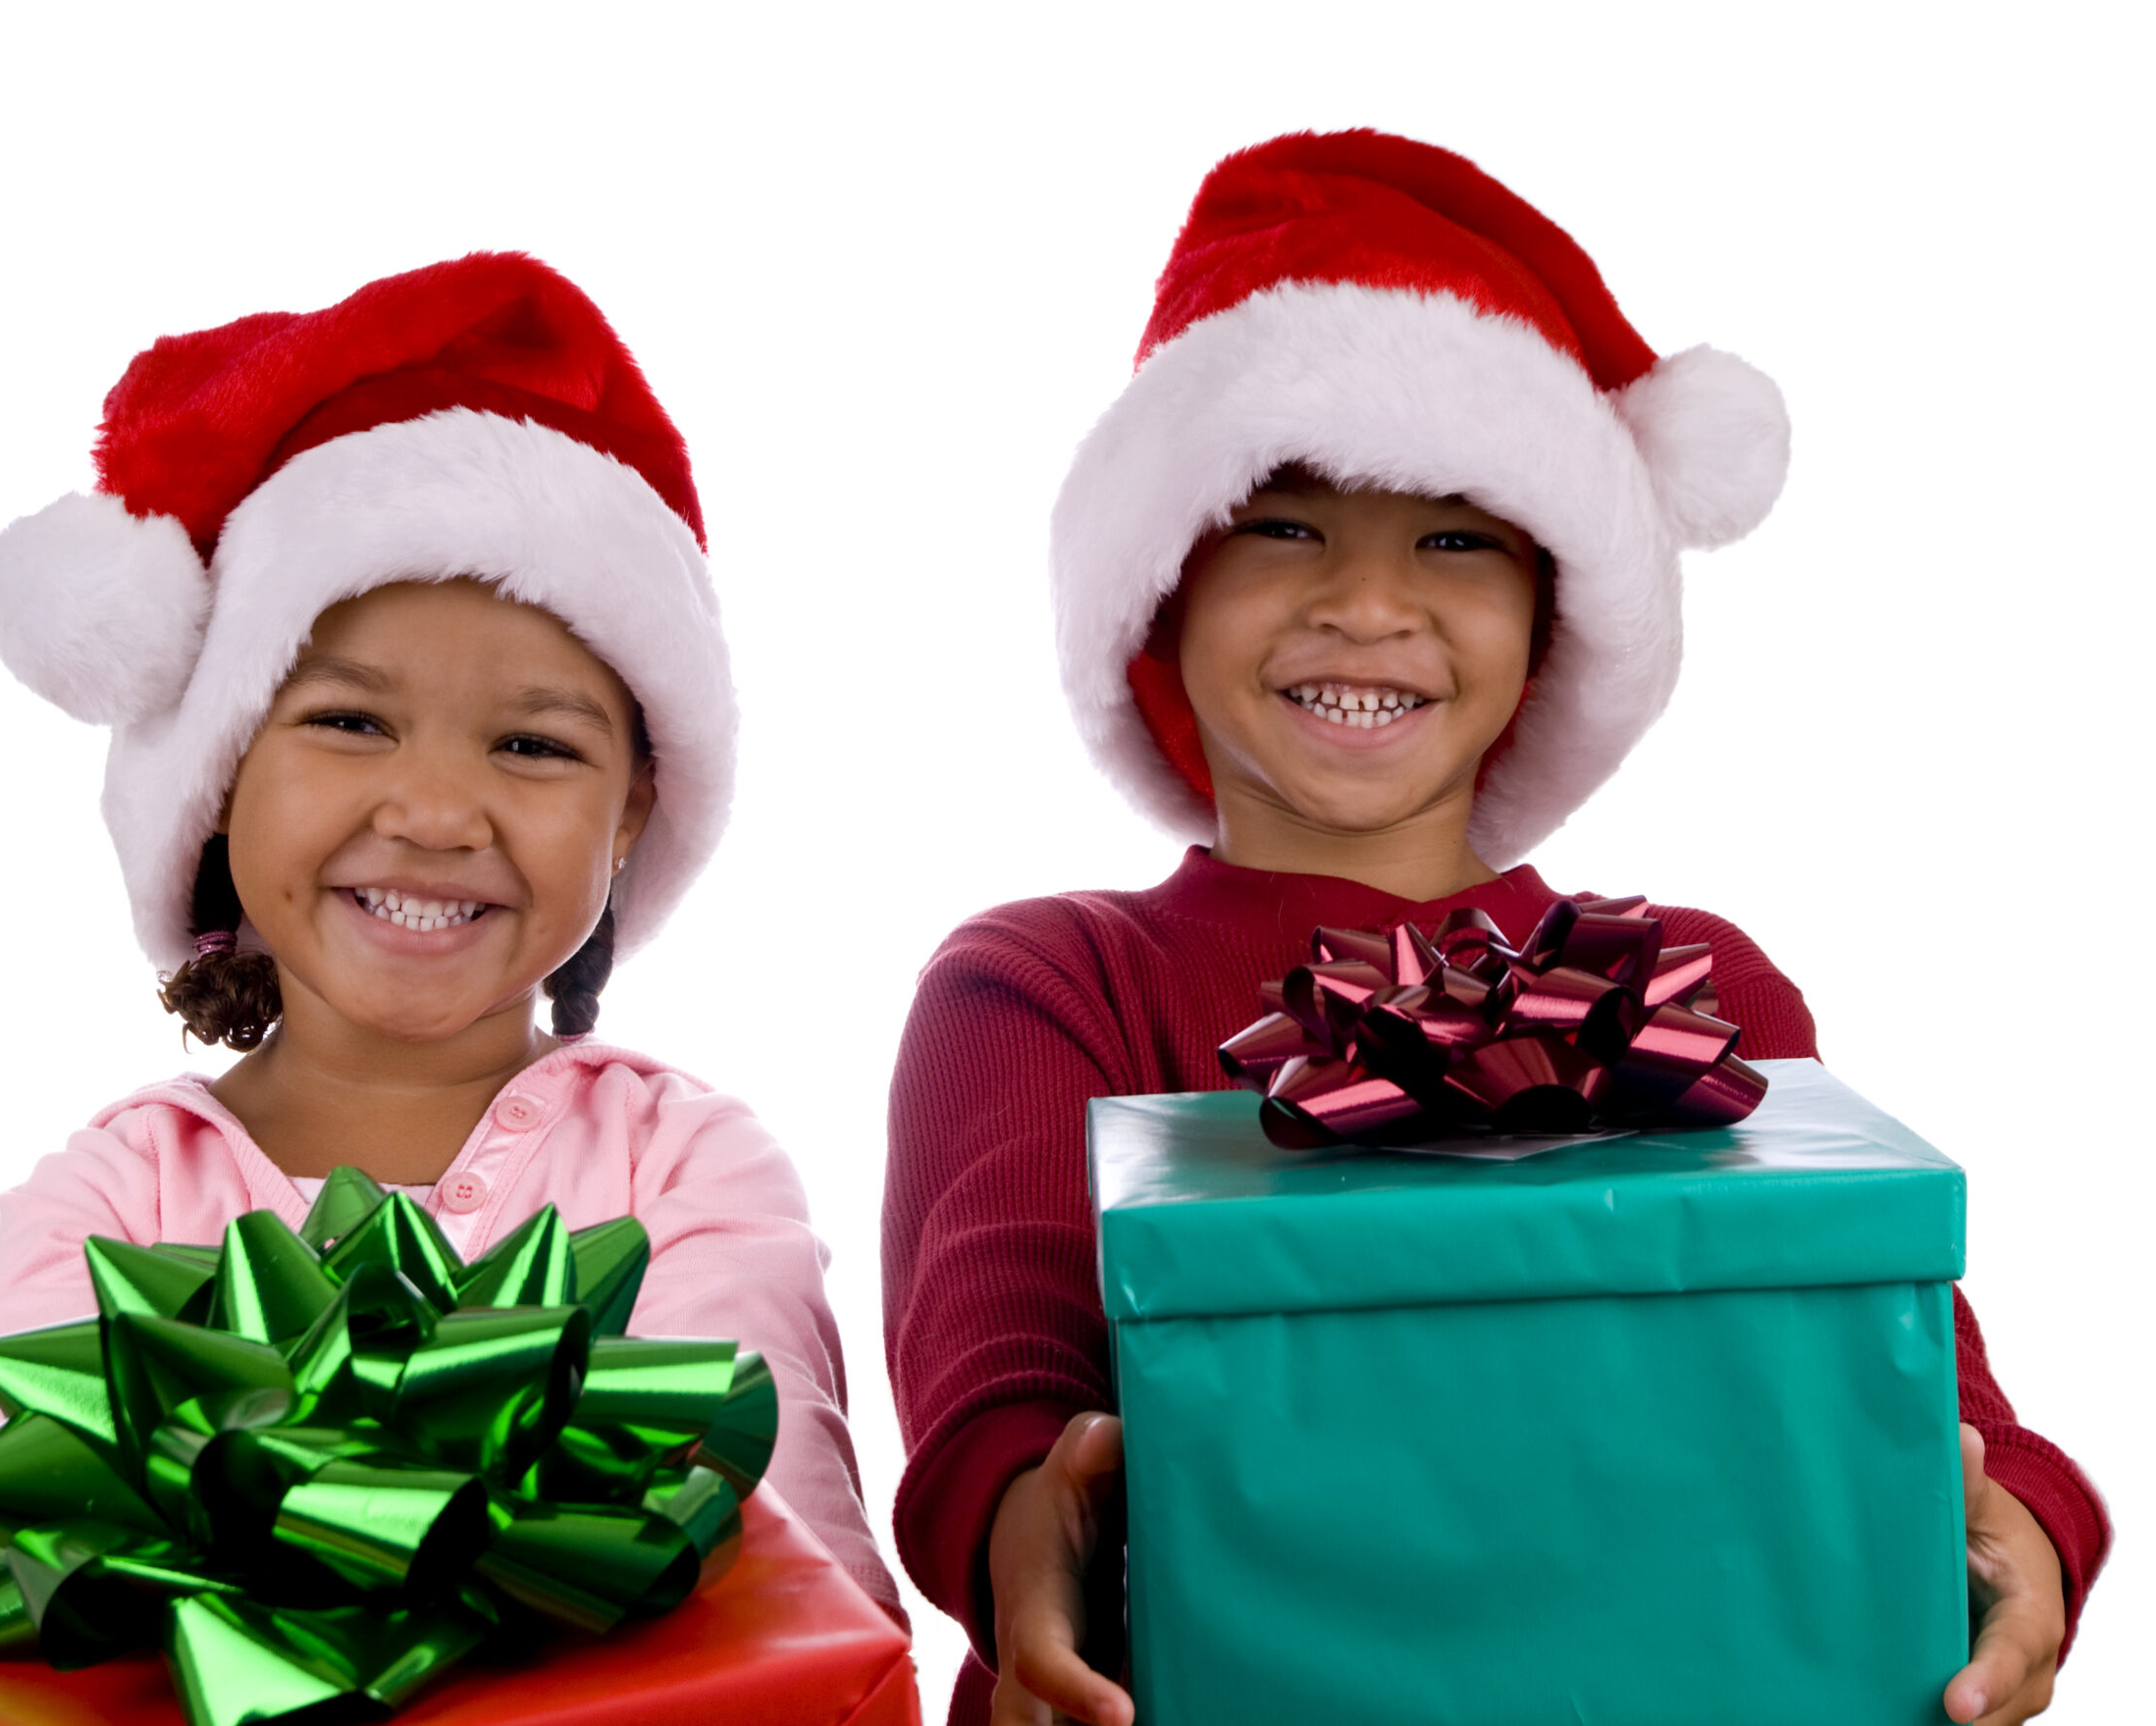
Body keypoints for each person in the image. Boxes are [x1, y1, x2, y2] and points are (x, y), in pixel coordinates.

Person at [880, 130, 2109, 1726]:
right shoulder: (1048, 981)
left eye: (1455, 538)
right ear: (1162, 592)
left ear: (1549, 624)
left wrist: (2028, 1519)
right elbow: (1002, 1348)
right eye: (1285, 522)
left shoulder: (1690, 979)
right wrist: (1015, 1526)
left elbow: (1893, 1357)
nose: (1369, 605)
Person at [0, 250, 899, 1726]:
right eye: (349, 721)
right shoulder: (119, 1193)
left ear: (636, 811)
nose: (438, 811)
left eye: (533, 747)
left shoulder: (683, 1162)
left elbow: (792, 1580)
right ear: (216, 782)